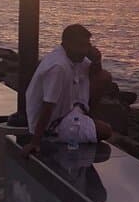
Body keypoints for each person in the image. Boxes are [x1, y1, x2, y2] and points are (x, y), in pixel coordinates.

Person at [22, 24, 113, 156]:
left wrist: (97, 60)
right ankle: (60, 134)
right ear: (67, 44)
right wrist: (35, 142)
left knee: (105, 76)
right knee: (106, 131)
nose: (85, 50)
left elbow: (96, 74)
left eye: (87, 45)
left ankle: (87, 118)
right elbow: (48, 106)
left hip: (68, 109)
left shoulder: (74, 57)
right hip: (53, 123)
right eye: (81, 46)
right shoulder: (58, 67)